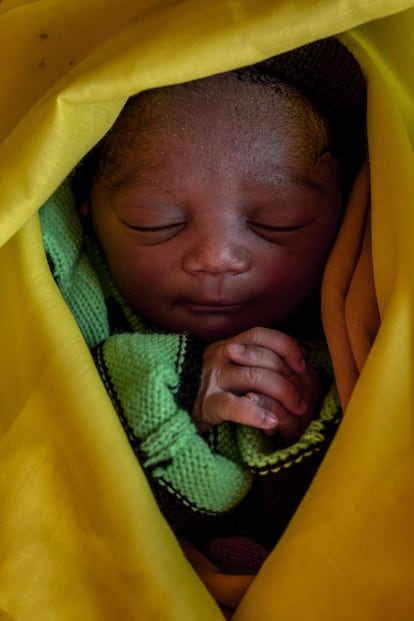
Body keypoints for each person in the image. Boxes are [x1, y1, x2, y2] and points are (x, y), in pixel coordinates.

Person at [40, 37, 367, 575]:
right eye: (154, 222)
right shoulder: (68, 295)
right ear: (88, 216)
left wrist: (300, 422)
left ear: (345, 210)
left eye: (278, 221)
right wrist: (172, 391)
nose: (215, 258)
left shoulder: (357, 323)